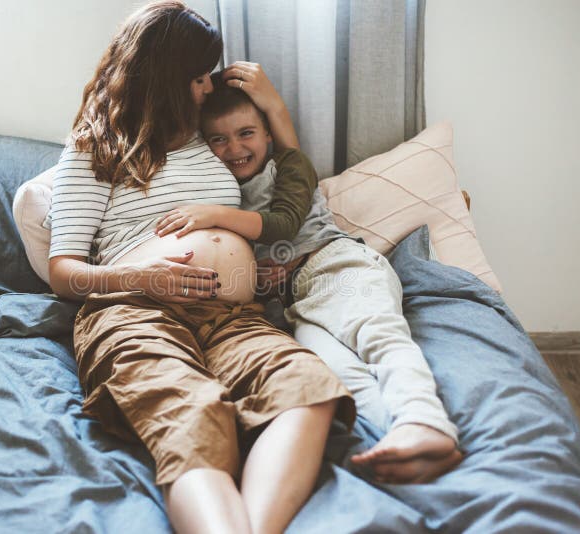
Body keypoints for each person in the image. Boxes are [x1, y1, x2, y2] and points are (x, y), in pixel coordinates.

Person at [46, 2, 355, 533]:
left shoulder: (211, 140)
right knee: (192, 414)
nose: (207, 88)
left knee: (307, 386)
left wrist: (272, 105)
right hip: (134, 312)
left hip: (233, 317)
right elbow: (62, 270)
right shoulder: (94, 150)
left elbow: (286, 185)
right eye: (195, 78)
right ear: (165, 80)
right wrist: (141, 277)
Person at [155, 69, 463, 484]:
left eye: (246, 133)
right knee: (332, 369)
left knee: (378, 335)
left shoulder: (289, 165)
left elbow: (282, 224)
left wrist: (210, 215)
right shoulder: (219, 188)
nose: (234, 148)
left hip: (337, 267)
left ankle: (426, 421)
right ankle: (391, 440)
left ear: (268, 134)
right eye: (219, 140)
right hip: (296, 302)